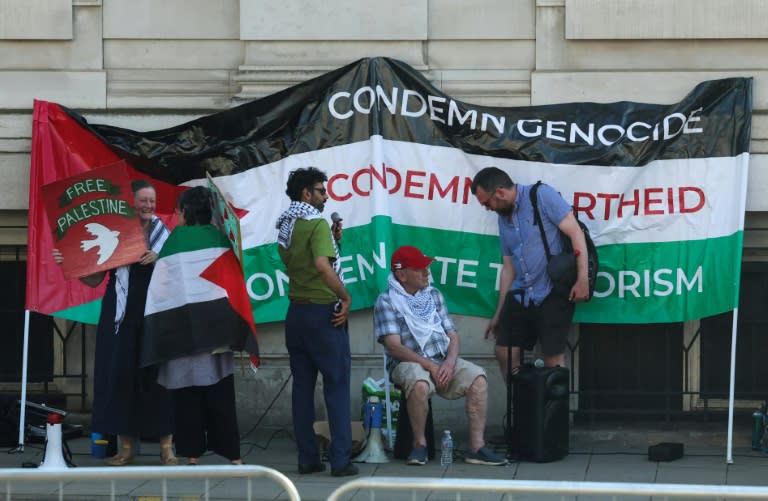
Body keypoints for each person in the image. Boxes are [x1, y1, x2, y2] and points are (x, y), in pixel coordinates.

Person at [53, 179, 176, 466]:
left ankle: (167, 447)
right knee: (119, 377)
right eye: (143, 200)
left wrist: (160, 257)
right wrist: (68, 263)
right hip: (120, 314)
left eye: (152, 201)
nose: (149, 206)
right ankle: (126, 448)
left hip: (155, 312)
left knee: (159, 378)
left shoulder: (164, 234)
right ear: (131, 202)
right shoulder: (116, 232)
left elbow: (178, 269)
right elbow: (95, 278)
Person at [374, 245, 508, 466]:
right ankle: (419, 446)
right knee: (419, 384)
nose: (427, 272)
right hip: (407, 362)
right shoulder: (387, 300)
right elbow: (394, 347)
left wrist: (449, 362)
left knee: (478, 379)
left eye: (427, 267)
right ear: (401, 274)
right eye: (420, 269)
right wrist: (431, 367)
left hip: (441, 359)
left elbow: (452, 335)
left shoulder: (434, 295)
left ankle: (476, 447)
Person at [149, 186, 243, 465]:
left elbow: (162, 286)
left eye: (178, 209)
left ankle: (191, 454)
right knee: (221, 394)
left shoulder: (176, 239)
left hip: (183, 331)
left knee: (186, 396)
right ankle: (233, 455)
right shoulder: (219, 237)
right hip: (216, 328)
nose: (176, 214)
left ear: (187, 212)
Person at [275, 166, 358, 477]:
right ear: (306, 194)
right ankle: (340, 460)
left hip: (296, 313)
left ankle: (308, 458)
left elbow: (298, 260)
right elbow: (323, 267)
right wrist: (347, 298)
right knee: (336, 386)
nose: (326, 196)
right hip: (325, 314)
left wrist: (336, 242)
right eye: (321, 191)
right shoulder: (316, 223)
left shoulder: (286, 223)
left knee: (302, 389)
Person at [470, 166, 589, 378]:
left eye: (487, 203)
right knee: (504, 352)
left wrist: (582, 280)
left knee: (552, 360)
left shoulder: (541, 195)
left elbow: (576, 233)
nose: (488, 209)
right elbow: (508, 268)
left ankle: (551, 410)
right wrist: (498, 314)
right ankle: (522, 404)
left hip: (552, 290)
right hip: (521, 294)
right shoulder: (502, 217)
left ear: (500, 192)